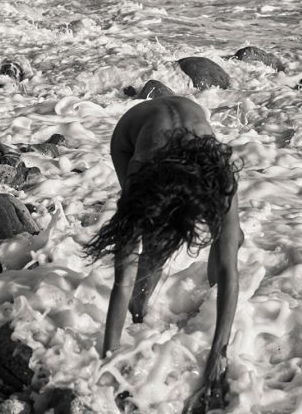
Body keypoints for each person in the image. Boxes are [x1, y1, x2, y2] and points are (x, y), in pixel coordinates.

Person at [83, 95, 244, 413]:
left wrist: (219, 353)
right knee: (152, 244)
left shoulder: (219, 173)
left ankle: (207, 302)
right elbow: (122, 280)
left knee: (232, 238)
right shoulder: (139, 172)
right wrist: (108, 361)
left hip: (187, 137)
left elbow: (230, 270)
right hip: (129, 140)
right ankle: (139, 313)